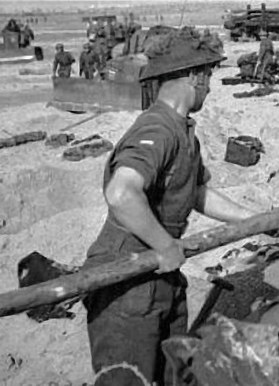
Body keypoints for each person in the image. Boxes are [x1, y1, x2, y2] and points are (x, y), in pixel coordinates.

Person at [82, 39, 258, 385]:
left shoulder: (183, 132)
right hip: (127, 279)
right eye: (208, 75)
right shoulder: (157, 128)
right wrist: (164, 245)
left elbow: (198, 193)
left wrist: (250, 221)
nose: (209, 86)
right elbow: (121, 193)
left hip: (160, 277)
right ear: (193, 77)